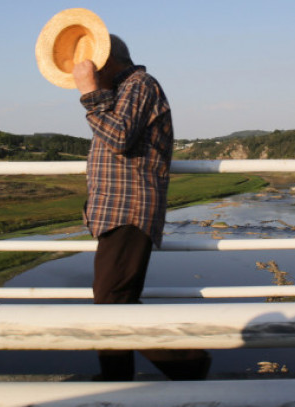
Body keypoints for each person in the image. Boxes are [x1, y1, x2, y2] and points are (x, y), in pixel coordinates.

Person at [73, 34, 211, 381]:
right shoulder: (120, 92)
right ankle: (118, 376)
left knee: (111, 302)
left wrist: (89, 93)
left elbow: (118, 138)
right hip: (117, 210)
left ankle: (188, 361)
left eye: (90, 65)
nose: (84, 70)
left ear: (106, 62)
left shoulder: (140, 84)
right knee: (115, 300)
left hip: (129, 208)